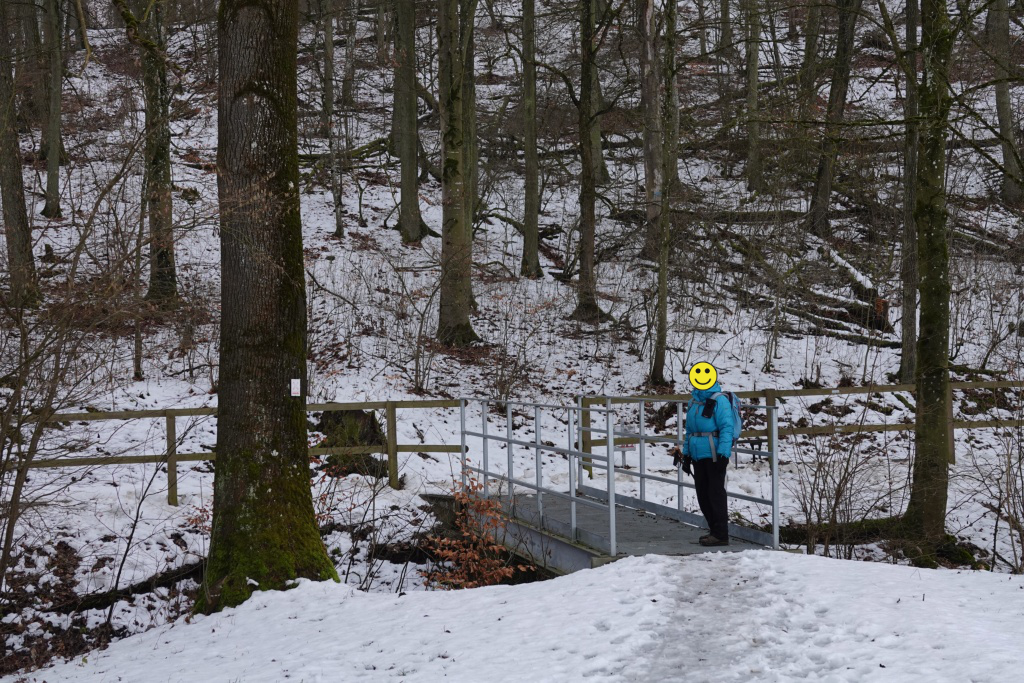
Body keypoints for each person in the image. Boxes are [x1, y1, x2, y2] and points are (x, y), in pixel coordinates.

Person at [668, 377, 736, 546]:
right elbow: (690, 430)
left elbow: (726, 428)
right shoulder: (694, 401)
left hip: (714, 454)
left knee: (715, 493)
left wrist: (723, 454)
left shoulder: (719, 400)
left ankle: (721, 534)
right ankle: (714, 531)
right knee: (703, 494)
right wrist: (687, 454)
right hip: (698, 454)